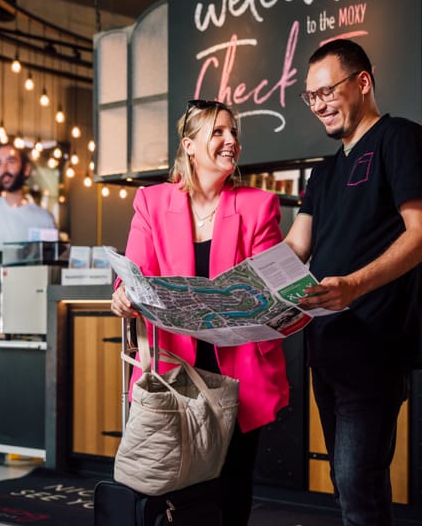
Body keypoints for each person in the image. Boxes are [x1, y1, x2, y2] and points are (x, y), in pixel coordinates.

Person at [110, 99, 290, 525]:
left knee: (231, 484)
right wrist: (122, 296)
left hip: (239, 369)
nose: (231, 141)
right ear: (189, 145)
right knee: (171, 481)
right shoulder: (151, 203)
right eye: (218, 132)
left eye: (234, 133)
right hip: (172, 367)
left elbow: (269, 289)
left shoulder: (259, 205)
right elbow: (133, 276)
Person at [284, 39, 422, 526]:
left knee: (357, 487)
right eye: (310, 97)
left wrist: (353, 285)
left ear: (363, 82)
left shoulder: (401, 138)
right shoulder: (323, 171)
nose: (319, 105)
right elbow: (295, 249)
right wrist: (238, 281)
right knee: (351, 485)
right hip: (326, 346)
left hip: (376, 344)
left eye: (326, 91)